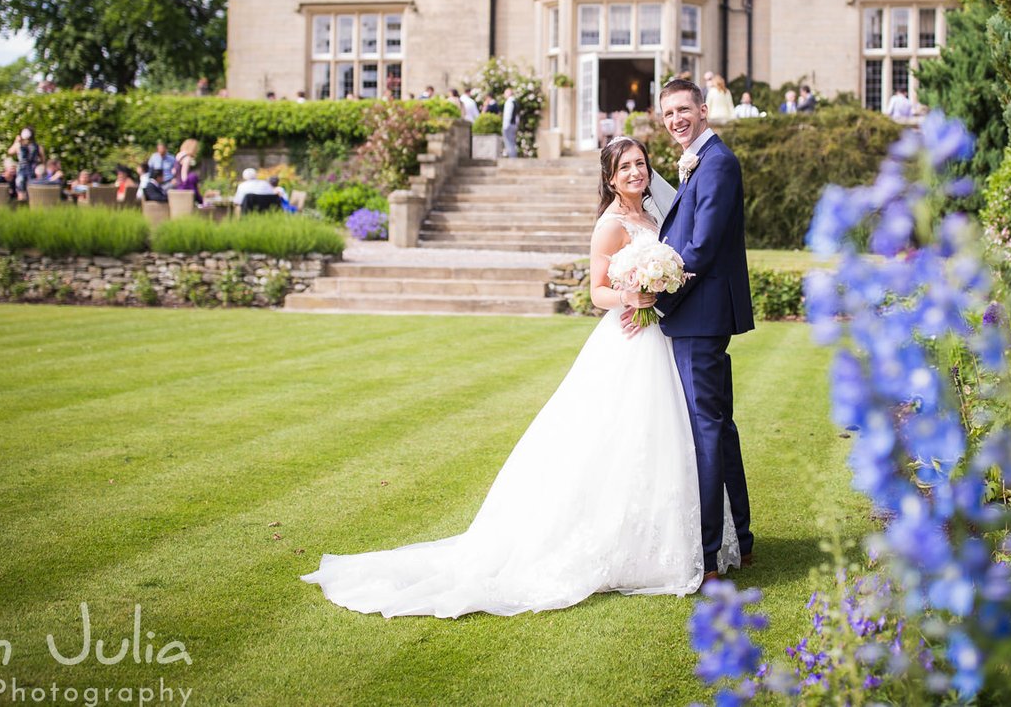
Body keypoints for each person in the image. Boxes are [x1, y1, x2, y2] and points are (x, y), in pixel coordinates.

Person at [300, 134, 736, 617]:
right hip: (629, 340)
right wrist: (631, 297)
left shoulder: (656, 216)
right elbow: (596, 292)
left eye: (640, 163)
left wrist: (659, 285)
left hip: (661, 339)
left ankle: (672, 539)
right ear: (610, 177)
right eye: (625, 166)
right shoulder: (610, 225)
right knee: (618, 437)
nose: (635, 172)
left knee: (664, 438)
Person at [644, 77, 756, 584]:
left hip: (700, 316)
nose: (675, 120)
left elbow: (703, 247)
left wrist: (657, 297)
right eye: (668, 114)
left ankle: (710, 557)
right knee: (719, 428)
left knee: (706, 432)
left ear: (705, 110)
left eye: (683, 110)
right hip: (701, 314)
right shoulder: (696, 163)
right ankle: (743, 540)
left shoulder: (717, 163)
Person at [8, 127, 44, 201]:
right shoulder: (38, 147)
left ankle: (22, 208)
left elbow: (10, 152)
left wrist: (16, 141)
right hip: (33, 171)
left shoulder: (18, 146)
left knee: (21, 192)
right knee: (33, 193)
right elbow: (43, 160)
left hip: (21, 171)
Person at [501, 87, 519, 159]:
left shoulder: (509, 102)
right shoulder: (515, 102)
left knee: (509, 143)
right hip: (514, 125)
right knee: (512, 142)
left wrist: (505, 126)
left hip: (509, 125)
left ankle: (512, 159)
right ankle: (513, 157)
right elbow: (517, 116)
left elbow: (507, 115)